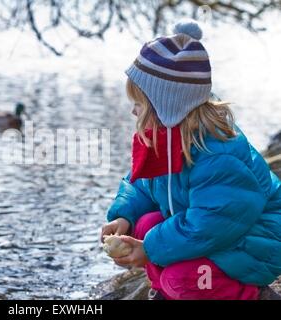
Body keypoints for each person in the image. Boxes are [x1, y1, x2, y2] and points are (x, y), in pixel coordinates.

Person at [101, 19, 281, 300]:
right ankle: (167, 291)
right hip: (219, 234)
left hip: (255, 242)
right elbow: (141, 183)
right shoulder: (167, 138)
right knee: (145, 224)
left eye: (139, 104)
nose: (133, 113)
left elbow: (210, 224)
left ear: (166, 107)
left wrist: (148, 249)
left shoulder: (218, 155)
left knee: (181, 277)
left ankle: (250, 293)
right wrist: (125, 215)